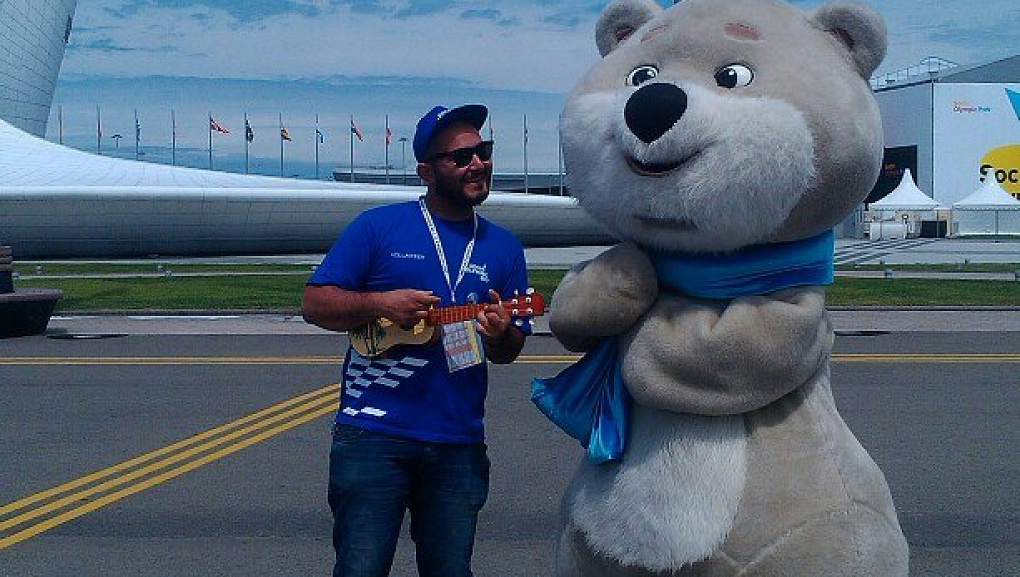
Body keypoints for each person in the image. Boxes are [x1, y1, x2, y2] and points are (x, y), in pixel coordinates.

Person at [302, 103, 531, 577]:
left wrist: (501, 332)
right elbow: (316, 304)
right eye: (461, 157)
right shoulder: (379, 227)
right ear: (427, 171)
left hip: (457, 441)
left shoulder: (503, 247)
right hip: (373, 436)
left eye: (482, 152)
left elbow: (508, 351)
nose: (478, 164)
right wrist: (379, 304)